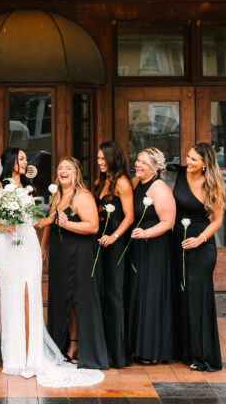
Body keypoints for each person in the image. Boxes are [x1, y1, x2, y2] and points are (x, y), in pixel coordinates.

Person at [0, 148, 102, 388]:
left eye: (26, 158)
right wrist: (2, 227)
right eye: (21, 158)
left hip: (27, 245)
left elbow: (36, 221)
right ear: (10, 161)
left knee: (31, 298)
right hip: (8, 247)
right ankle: (15, 357)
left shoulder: (30, 188)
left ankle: (32, 357)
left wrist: (52, 222)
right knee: (12, 298)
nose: (25, 161)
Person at [42, 157, 109, 371]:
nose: (63, 170)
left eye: (68, 168)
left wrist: (67, 223)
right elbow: (50, 223)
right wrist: (43, 247)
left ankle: (86, 349)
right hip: (60, 255)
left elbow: (93, 227)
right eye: (60, 167)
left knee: (82, 300)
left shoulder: (83, 196)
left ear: (76, 173)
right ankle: (70, 344)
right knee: (66, 301)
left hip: (80, 254)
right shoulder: (57, 196)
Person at [173, 142, 226, 371]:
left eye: (193, 159)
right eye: (188, 156)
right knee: (182, 299)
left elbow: (217, 221)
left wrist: (200, 239)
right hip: (178, 244)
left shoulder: (212, 185)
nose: (188, 161)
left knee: (198, 301)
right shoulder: (181, 175)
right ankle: (186, 352)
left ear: (205, 164)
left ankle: (204, 356)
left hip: (202, 247)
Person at [126, 148, 176, 364]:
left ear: (156, 168)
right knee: (140, 294)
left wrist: (146, 233)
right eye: (138, 160)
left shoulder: (159, 188)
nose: (138, 164)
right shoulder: (138, 184)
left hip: (155, 248)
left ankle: (153, 350)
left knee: (153, 296)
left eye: (144, 163)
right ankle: (139, 346)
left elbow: (168, 222)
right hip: (140, 248)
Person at [94, 140, 134, 368]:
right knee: (104, 295)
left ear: (112, 158)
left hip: (115, 243)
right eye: (98, 158)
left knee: (115, 295)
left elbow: (129, 216)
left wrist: (115, 237)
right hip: (101, 240)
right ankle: (105, 350)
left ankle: (118, 354)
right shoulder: (102, 180)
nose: (99, 162)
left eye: (102, 158)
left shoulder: (122, 183)